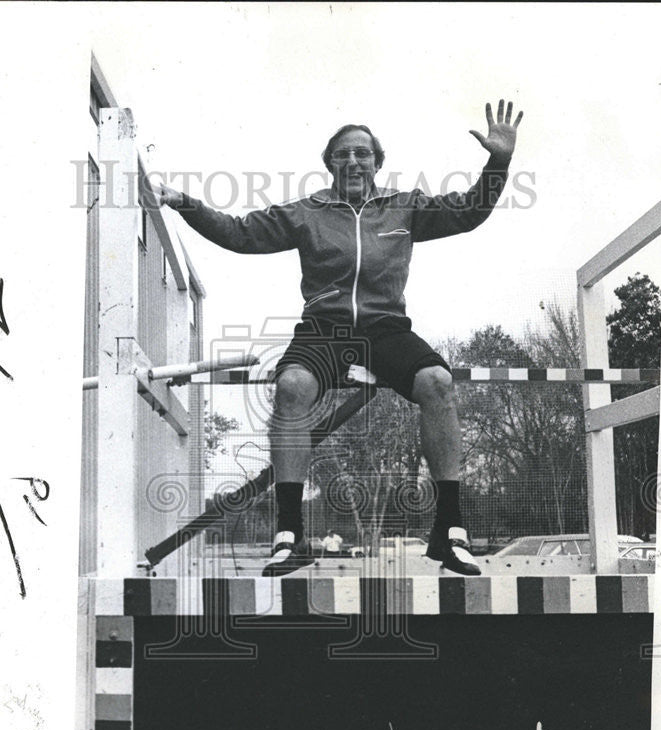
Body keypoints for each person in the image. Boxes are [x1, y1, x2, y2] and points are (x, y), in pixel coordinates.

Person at [157, 100, 523, 577]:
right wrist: (181, 199)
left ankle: (450, 531)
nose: (353, 162)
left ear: (377, 162)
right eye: (343, 155)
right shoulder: (308, 212)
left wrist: (498, 162)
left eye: (363, 154)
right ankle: (289, 535)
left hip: (385, 327)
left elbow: (470, 212)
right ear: (329, 164)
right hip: (323, 330)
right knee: (291, 387)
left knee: (437, 381)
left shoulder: (404, 206)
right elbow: (238, 233)